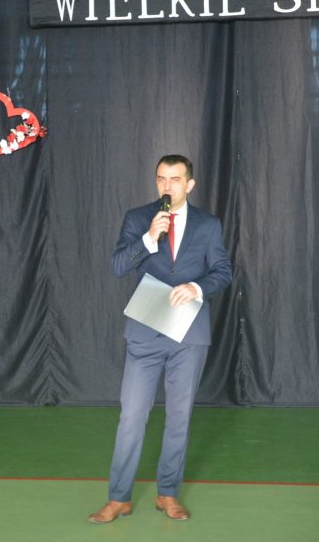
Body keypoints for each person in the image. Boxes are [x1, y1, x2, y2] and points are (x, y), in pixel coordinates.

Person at [89, 155, 233, 524]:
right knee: (132, 417)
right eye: (161, 179)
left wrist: (196, 287)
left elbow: (222, 272)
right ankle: (118, 498)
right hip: (146, 332)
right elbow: (118, 266)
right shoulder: (139, 218)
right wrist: (149, 238)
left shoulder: (209, 225)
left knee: (179, 418)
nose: (167, 186)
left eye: (175, 179)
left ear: (190, 184)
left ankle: (167, 494)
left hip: (189, 335)